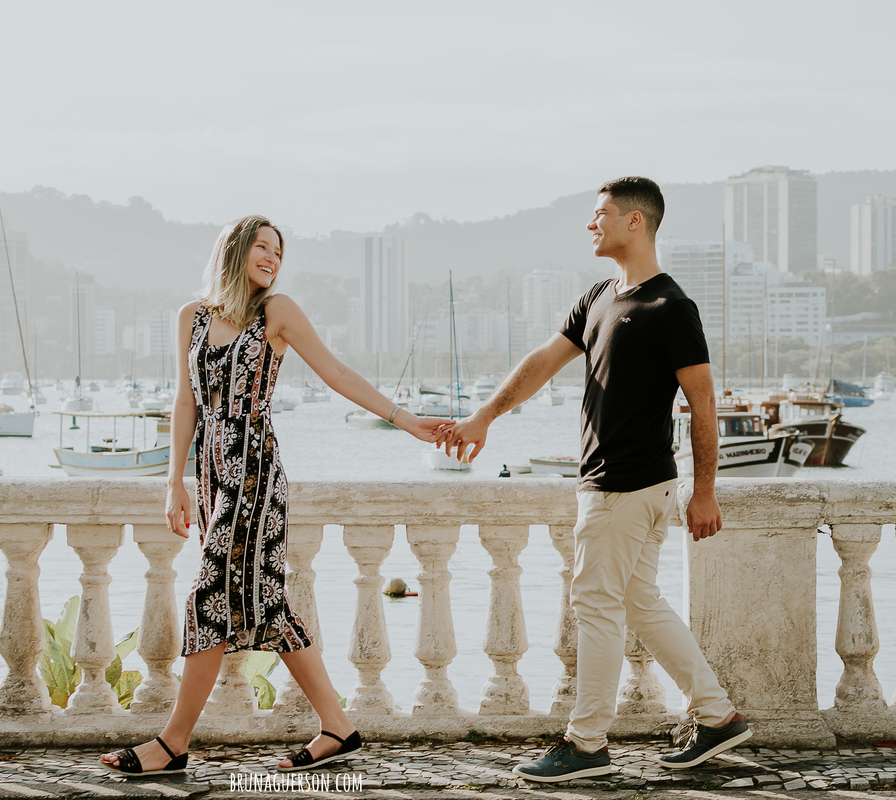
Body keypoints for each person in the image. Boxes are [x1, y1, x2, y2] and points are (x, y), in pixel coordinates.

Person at [101, 215, 451, 777]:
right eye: (262, 246)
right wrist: (175, 482)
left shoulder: (277, 312)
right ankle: (337, 725)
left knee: (207, 596)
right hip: (214, 477)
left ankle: (172, 743)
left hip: (257, 474)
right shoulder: (191, 318)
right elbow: (185, 402)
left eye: (279, 251)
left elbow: (334, 372)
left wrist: (404, 420)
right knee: (266, 603)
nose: (272, 257)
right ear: (234, 250)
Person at [437, 177, 751, 782]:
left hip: (626, 488)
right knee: (639, 602)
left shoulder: (671, 307)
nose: (591, 224)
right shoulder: (600, 297)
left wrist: (706, 491)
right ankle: (718, 716)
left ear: (635, 222)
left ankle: (586, 744)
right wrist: (484, 416)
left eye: (600, 214)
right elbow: (539, 365)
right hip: (623, 488)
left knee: (596, 606)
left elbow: (704, 403)